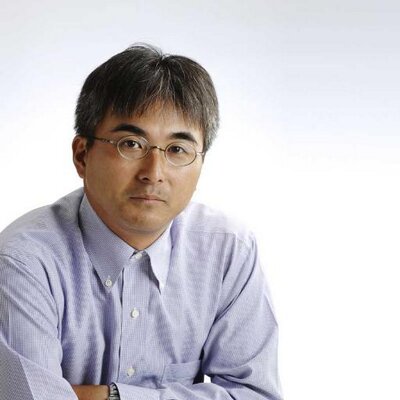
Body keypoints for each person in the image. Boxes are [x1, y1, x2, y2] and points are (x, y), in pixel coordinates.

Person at [0, 44, 282, 400]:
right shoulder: (23, 262)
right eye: (131, 144)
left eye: (177, 149)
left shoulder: (228, 250)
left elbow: (255, 394)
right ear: (82, 155)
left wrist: (106, 396)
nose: (154, 172)